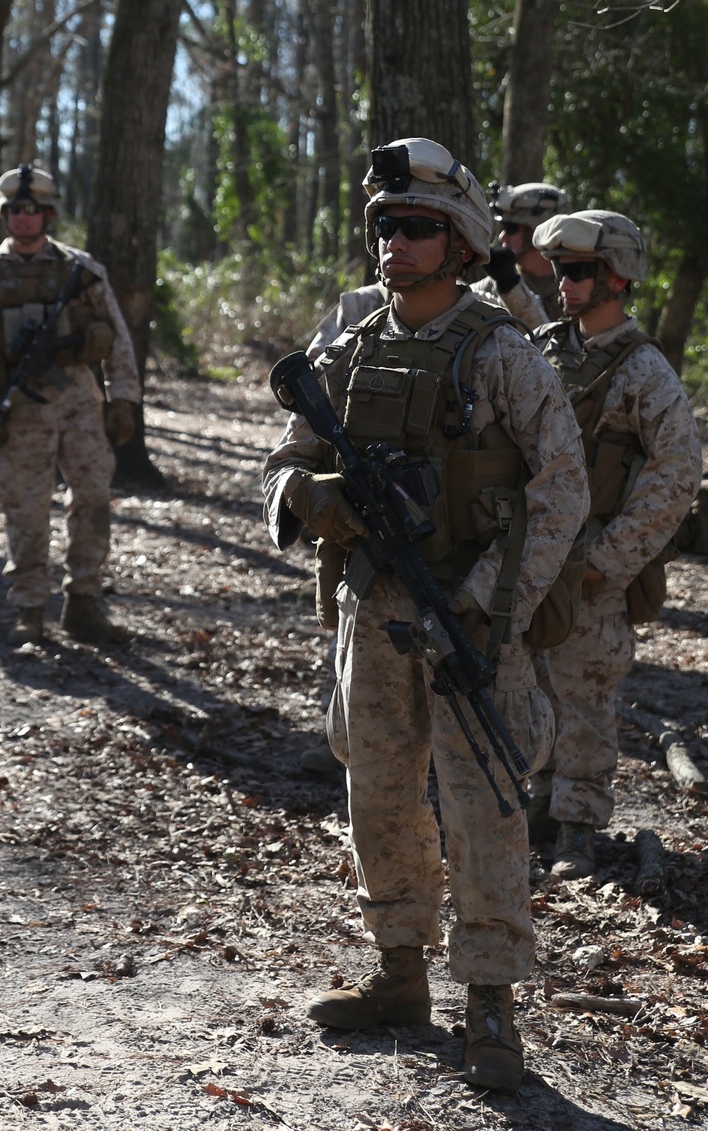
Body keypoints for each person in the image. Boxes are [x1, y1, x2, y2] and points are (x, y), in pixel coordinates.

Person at [263, 137, 589, 1092]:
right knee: (381, 793)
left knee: (487, 801)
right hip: (373, 607)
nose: (394, 243)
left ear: (459, 243)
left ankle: (489, 996)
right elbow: (283, 465)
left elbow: (561, 490)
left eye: (416, 228)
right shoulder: (346, 348)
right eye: (384, 226)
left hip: (472, 618)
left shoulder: (501, 355)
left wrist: (489, 604)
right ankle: (401, 972)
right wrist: (310, 503)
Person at [530, 210, 702, 878]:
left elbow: (674, 477)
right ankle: (541, 800)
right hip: (536, 554)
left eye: (577, 272)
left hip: (593, 564)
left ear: (618, 279)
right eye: (559, 271)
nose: (562, 283)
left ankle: (577, 825)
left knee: (586, 692)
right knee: (534, 688)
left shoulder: (646, 374)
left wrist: (606, 564)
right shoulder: (545, 350)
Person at [0, 165, 141, 647]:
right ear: (3, 214)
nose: (24, 218)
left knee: (93, 497)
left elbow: (116, 339)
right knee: (27, 508)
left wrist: (122, 400)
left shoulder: (81, 270)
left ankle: (84, 602)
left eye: (33, 210)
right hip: (18, 409)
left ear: (48, 214)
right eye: (14, 209)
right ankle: (30, 607)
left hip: (78, 401)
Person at [481, 182, 568, 328]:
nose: (502, 237)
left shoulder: (575, 288)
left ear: (538, 230)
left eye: (510, 228)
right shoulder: (491, 287)